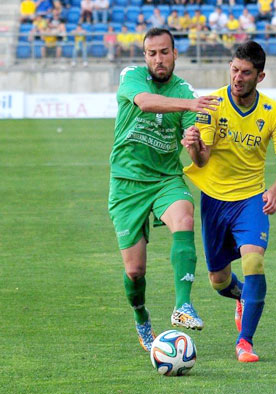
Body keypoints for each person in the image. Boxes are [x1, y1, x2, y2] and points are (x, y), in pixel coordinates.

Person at [181, 40, 276, 363]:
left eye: (246, 72)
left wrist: (273, 191)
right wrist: (192, 146)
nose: (237, 77)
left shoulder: (274, 113)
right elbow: (201, 160)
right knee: (218, 281)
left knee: (255, 262)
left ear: (260, 76)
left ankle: (245, 341)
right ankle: (242, 296)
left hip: (250, 199)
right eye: (234, 70)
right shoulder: (213, 104)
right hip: (215, 200)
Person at [108, 27, 219, 352]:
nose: (158, 58)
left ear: (174, 54)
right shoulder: (133, 76)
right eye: (152, 53)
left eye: (164, 52)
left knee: (185, 216)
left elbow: (199, 161)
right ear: (145, 56)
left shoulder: (184, 89)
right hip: (127, 183)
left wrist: (195, 143)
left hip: (165, 179)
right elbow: (143, 103)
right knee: (135, 270)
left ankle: (182, 306)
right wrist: (189, 105)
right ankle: (142, 316)